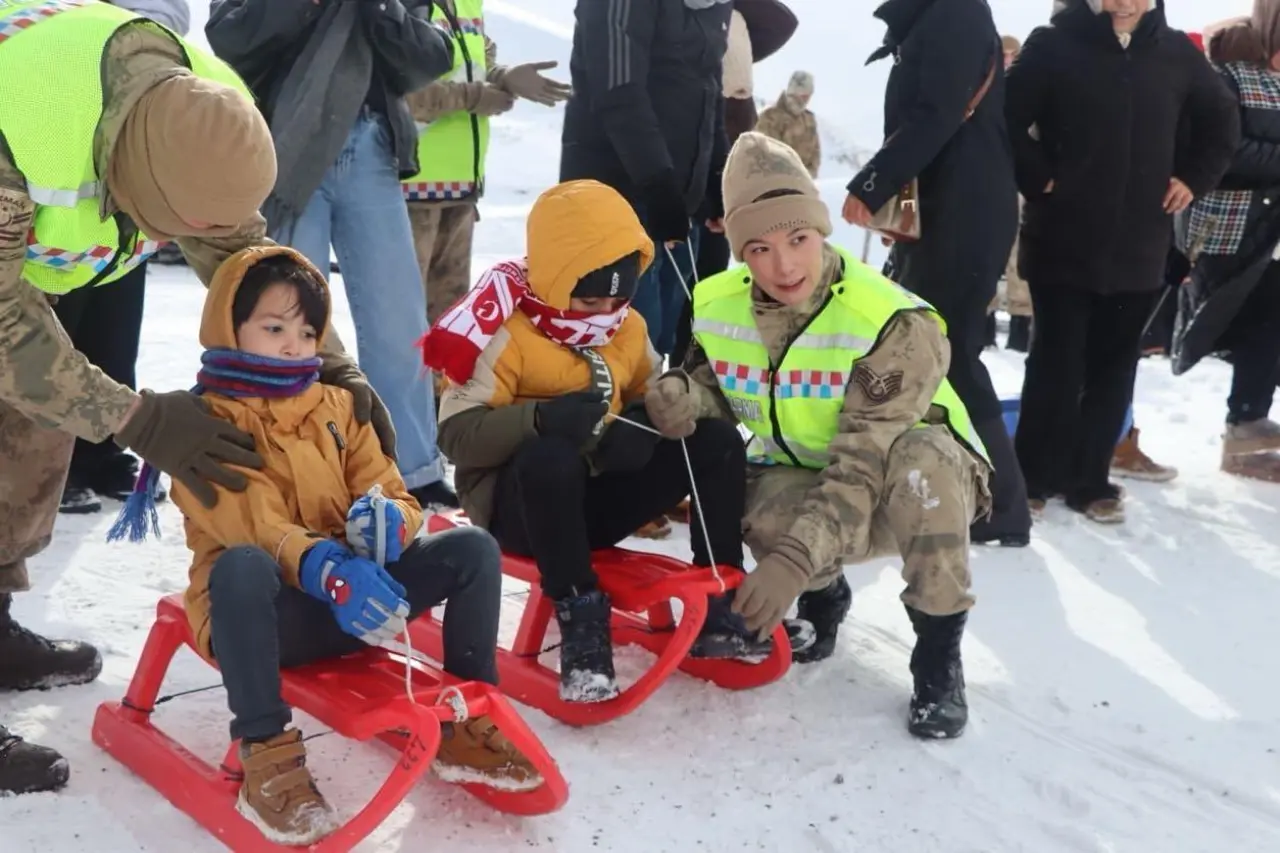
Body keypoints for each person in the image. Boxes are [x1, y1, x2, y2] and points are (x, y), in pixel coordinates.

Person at [0, 0, 390, 796]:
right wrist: (136, 419)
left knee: (34, 420)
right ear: (129, 186)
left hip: (26, 268)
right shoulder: (20, 123)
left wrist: (335, 371)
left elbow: (246, 250)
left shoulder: (200, 110)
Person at [116, 246, 537, 845]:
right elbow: (249, 519)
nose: (294, 344)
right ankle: (268, 756)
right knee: (240, 568)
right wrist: (325, 566)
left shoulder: (338, 404)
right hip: (268, 622)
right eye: (274, 327)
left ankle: (464, 722)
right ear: (227, 326)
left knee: (470, 549)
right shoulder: (201, 423)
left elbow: (388, 483)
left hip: (354, 607)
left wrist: (391, 523)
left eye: (308, 330)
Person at [652, 132, 991, 738]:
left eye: (798, 239)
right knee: (747, 499)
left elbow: (862, 462)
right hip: (808, 470)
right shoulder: (715, 303)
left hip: (906, 483)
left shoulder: (891, 320)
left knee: (921, 469)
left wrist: (792, 558)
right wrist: (687, 399)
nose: (783, 266)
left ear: (822, 232)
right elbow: (717, 388)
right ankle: (824, 597)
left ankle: (939, 657)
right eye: (758, 247)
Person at [426, 179, 770, 705]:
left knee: (715, 438)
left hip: (597, 502)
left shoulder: (625, 327)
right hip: (520, 512)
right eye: (588, 299)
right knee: (551, 456)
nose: (603, 312)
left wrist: (653, 416)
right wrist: (539, 420)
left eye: (618, 298)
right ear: (555, 281)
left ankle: (721, 593)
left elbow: (651, 388)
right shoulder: (505, 331)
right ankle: (582, 621)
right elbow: (455, 437)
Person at [207, 0, 460, 509]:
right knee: (281, 318)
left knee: (398, 319)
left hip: (371, 145)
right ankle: (279, 462)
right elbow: (230, 40)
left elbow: (428, 58)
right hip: (285, 148)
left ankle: (413, 467)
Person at [1006, 0, 1238, 523]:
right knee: (1055, 364)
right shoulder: (1053, 43)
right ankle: (1034, 477)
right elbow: (1005, 118)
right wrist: (1038, 176)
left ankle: (1090, 482)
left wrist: (1193, 178)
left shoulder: (1175, 52)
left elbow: (1222, 121)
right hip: (1062, 237)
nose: (1129, 2)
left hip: (1141, 245)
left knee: (1114, 367)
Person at [842, 0, 1031, 548]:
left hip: (964, 215)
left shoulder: (955, 13)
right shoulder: (938, 15)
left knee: (949, 353)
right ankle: (970, 495)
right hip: (949, 210)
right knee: (930, 350)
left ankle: (1002, 504)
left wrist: (873, 183)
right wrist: (901, 209)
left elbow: (939, 113)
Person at [57, 0, 193, 514]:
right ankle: (58, 460)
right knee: (57, 321)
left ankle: (105, 451)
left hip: (126, 126)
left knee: (116, 320)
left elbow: (168, 16)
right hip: (58, 122)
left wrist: (112, 25)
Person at [559, 0, 732, 360]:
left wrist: (717, 176)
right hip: (617, 202)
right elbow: (619, 90)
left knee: (662, 342)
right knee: (622, 347)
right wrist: (658, 184)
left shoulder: (712, 4)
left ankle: (651, 412)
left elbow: (708, 87)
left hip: (678, 203)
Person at [404, 0, 570, 327]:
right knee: (402, 328)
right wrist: (474, 97)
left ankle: (442, 382)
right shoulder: (404, 6)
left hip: (460, 189)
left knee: (448, 328)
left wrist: (503, 75)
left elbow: (478, 60)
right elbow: (405, 96)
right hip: (410, 190)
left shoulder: (467, 4)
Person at [1173, 6, 1280, 482]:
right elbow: (1224, 148)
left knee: (1269, 331)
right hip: (1228, 227)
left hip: (1271, 229)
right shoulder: (1230, 72)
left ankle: (1248, 428)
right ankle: (1109, 433)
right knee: (1208, 323)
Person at [755, 71, 821, 178]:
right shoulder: (770, 118)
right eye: (803, 96)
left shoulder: (809, 120)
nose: (805, 100)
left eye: (808, 96)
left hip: (804, 185)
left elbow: (815, 155)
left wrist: (807, 176)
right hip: (775, 183)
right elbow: (765, 154)